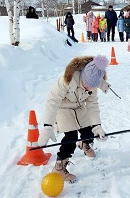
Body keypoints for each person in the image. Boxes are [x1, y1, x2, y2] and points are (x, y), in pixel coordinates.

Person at [38, 55, 110, 183]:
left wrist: (97, 126)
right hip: (63, 109)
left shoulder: (93, 84)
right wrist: (47, 127)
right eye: (86, 85)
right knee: (71, 137)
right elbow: (52, 101)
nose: (89, 89)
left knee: (89, 132)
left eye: (92, 87)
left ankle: (84, 144)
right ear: (82, 77)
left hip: (79, 107)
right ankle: (59, 168)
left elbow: (92, 105)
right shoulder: (66, 80)